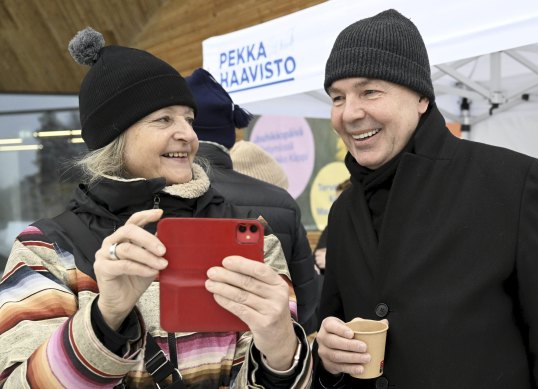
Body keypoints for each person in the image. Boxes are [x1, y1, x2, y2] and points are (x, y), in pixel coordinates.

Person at [0, 27, 312, 388]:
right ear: (114, 138)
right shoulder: (47, 249)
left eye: (188, 119)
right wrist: (106, 318)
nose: (188, 135)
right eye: (164, 119)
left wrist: (281, 351)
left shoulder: (247, 232)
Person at [313, 9, 538, 389]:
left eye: (369, 91)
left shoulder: (512, 184)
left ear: (421, 97)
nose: (349, 113)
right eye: (337, 97)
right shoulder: (344, 211)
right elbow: (337, 331)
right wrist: (328, 360)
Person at [185, 68, 321, 336]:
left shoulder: (159, 195)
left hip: (185, 360)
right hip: (268, 357)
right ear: (228, 134)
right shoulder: (281, 201)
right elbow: (307, 302)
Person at [313, 179, 351, 274]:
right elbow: (317, 257)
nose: (337, 206)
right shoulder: (333, 224)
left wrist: (331, 260)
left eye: (341, 201)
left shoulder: (364, 227)